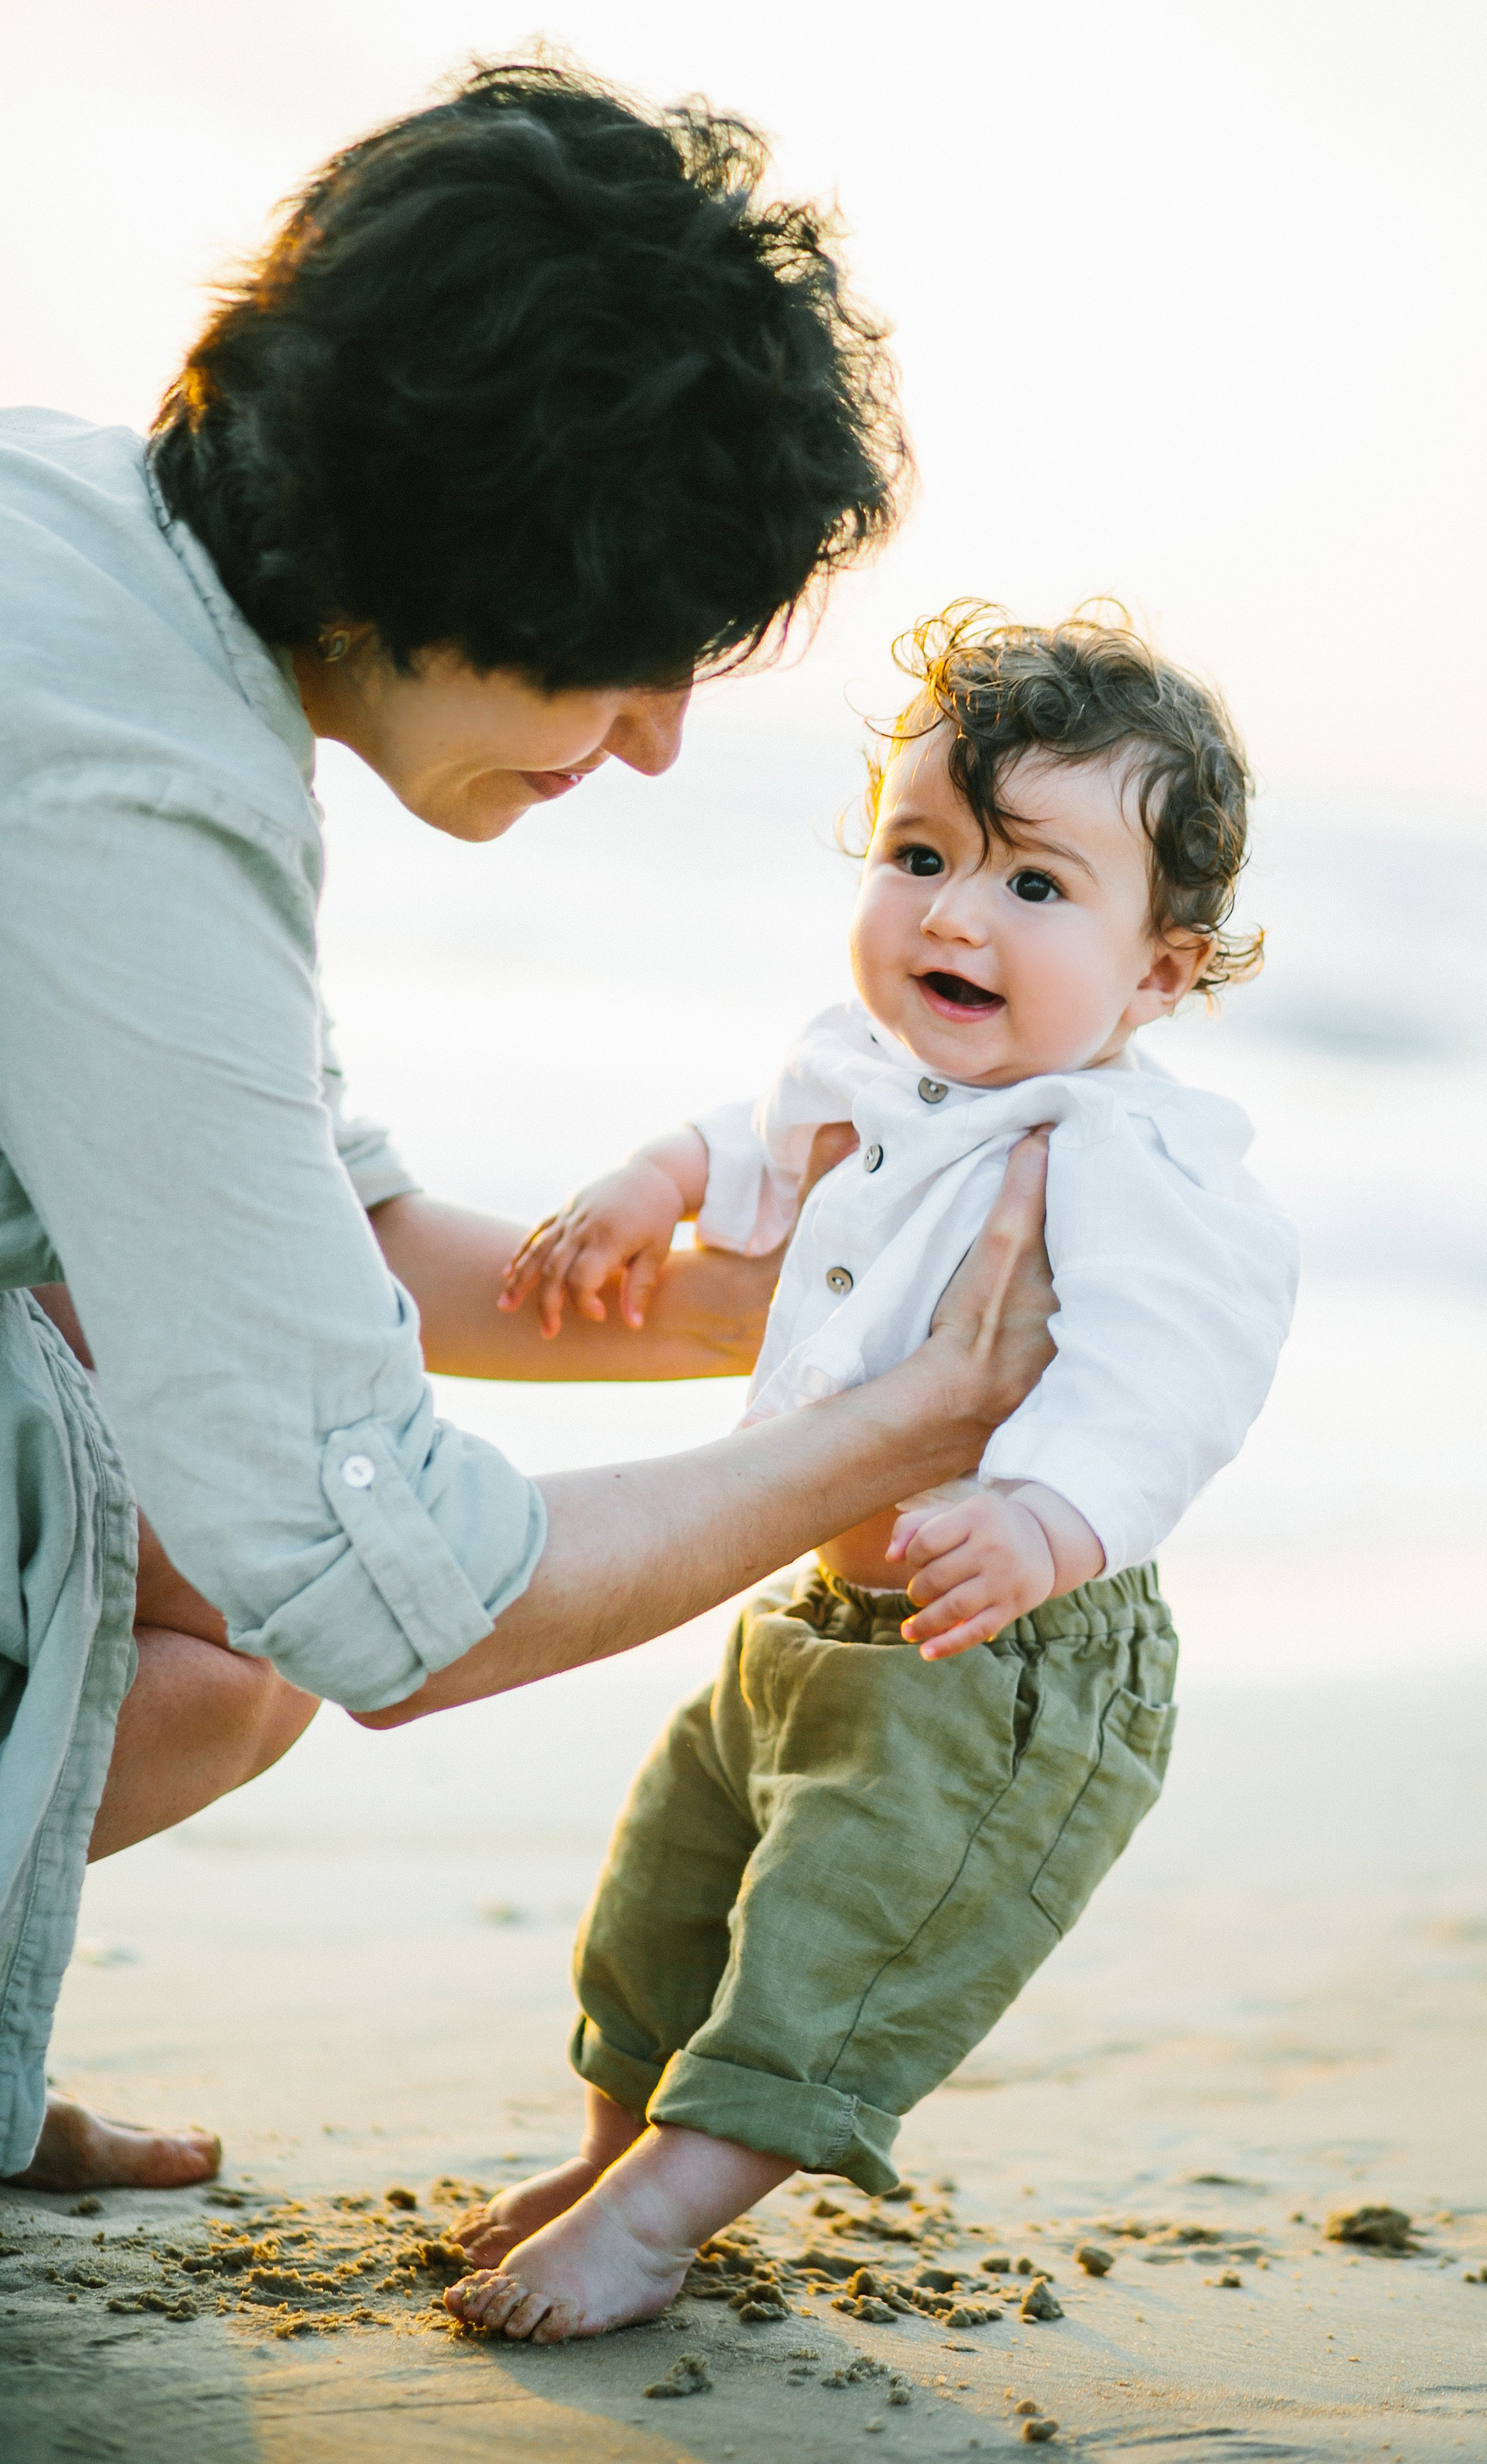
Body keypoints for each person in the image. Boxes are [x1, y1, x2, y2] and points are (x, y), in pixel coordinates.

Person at [0, 64, 1055, 2197]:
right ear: (475, 541)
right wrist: (896, 1431)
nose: (660, 741)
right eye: (638, 650)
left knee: (190, 1615)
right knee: (229, 1560)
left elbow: (324, 1237)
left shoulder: (100, 558)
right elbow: (396, 1602)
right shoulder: (121, 786)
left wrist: (778, 1311)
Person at [440, 604, 1299, 2343]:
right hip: (807, 1606)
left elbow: (1184, 1362)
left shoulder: (1122, 1147)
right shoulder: (868, 1071)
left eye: (1036, 886)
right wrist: (640, 1182)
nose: (956, 913)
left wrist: (1045, 1512)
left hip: (1001, 1658)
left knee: (837, 1948)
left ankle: (662, 2221)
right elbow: (749, 1155)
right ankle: (617, 2150)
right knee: (670, 1897)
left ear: (1158, 976)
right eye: (920, 855)